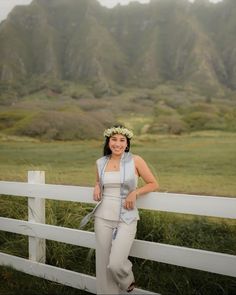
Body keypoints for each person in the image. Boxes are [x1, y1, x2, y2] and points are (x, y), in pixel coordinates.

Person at [80, 125, 159, 294]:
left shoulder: (135, 160)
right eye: (114, 139)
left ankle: (127, 280)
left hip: (127, 217)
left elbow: (153, 183)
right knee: (103, 264)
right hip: (103, 217)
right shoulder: (100, 162)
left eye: (122, 140)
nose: (117, 143)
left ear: (127, 143)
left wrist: (135, 193)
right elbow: (99, 180)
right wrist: (96, 186)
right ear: (108, 142)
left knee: (115, 263)